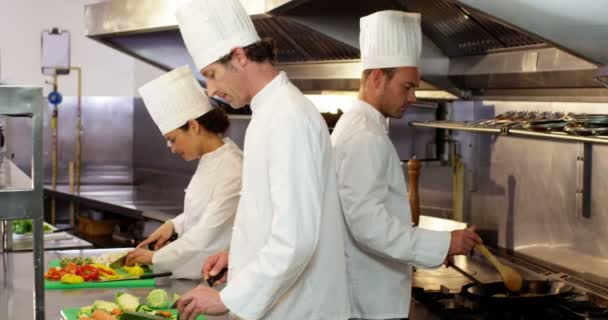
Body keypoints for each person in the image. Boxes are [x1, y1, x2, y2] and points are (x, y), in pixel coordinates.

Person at [173, 0, 351, 319]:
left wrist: (229, 298)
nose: (211, 90)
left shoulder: (289, 117)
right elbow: (276, 218)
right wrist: (239, 256)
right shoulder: (269, 113)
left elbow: (295, 240)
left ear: (239, 56)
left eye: (212, 75)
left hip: (300, 310)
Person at [331, 11, 483, 320]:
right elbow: (368, 225)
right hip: (368, 305)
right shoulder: (363, 136)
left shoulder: (365, 127)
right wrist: (443, 243)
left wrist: (437, 249)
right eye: (406, 86)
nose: (413, 97)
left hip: (370, 298)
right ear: (377, 77)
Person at [125, 65, 242, 280]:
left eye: (173, 139)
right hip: (191, 275)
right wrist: (173, 224)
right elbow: (202, 211)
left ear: (194, 126)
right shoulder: (211, 159)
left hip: (213, 281)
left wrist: (153, 258)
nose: (172, 148)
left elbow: (206, 233)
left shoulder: (233, 168)